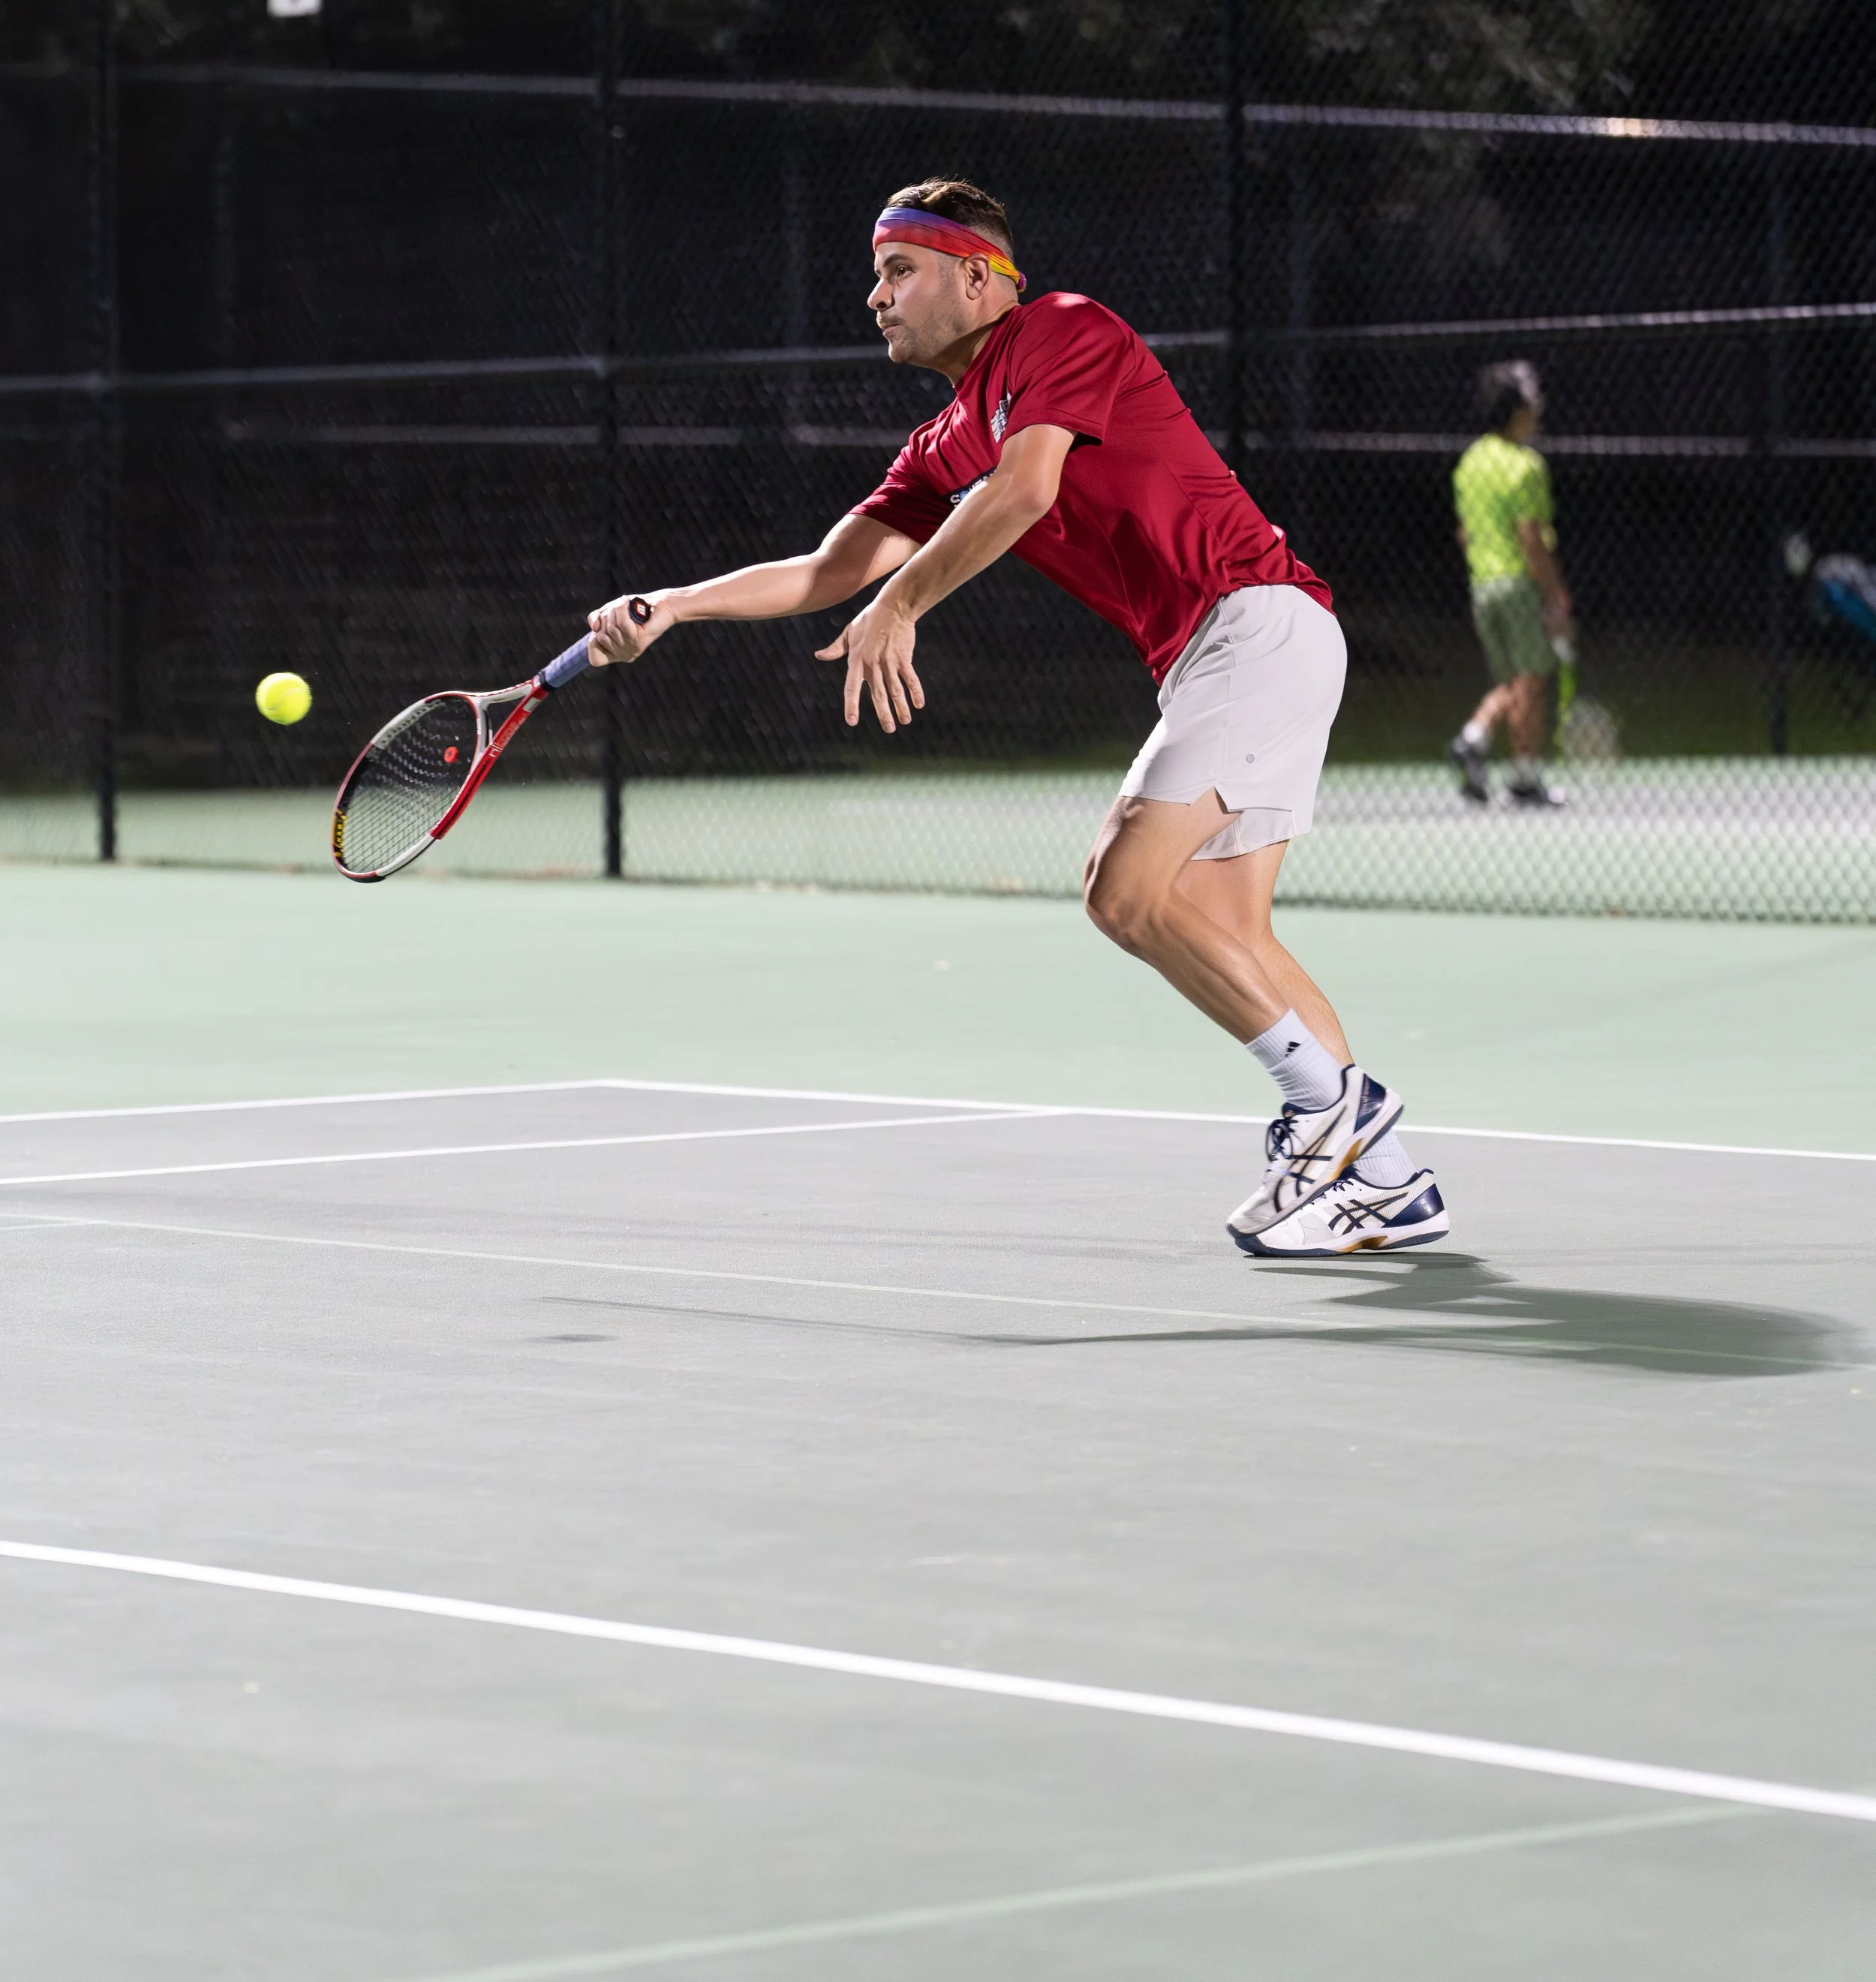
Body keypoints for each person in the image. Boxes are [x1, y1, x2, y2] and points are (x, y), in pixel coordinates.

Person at [586, 177, 1448, 1258]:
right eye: (876, 272)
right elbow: (827, 569)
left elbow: (1028, 487)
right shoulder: (941, 440)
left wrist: (901, 603)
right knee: (1226, 929)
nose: (876, 295)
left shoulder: (1062, 329)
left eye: (900, 270)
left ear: (980, 276)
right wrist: (673, 606)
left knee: (1122, 888)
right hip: (1216, 657)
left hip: (1255, 621)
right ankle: (1391, 1184)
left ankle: (1337, 1110)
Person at [1448, 359, 1571, 808]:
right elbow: (1531, 539)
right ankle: (1523, 779)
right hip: (1517, 582)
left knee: (1514, 679)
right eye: (1532, 401)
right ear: (1517, 411)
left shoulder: (1470, 462)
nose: (1539, 410)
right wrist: (1555, 594)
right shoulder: (1526, 466)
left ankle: (1474, 738)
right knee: (1532, 679)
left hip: (1482, 586)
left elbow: (1464, 532)